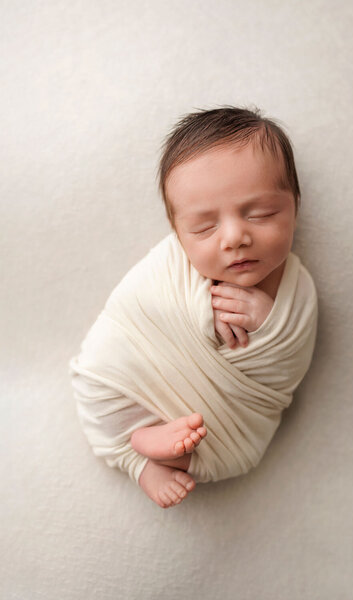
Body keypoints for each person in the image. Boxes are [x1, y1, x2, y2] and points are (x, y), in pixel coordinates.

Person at [69, 106, 318, 509]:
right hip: (134, 379)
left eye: (261, 214)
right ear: (179, 234)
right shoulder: (171, 270)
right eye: (204, 227)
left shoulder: (298, 289)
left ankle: (165, 454)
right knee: (102, 390)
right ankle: (141, 455)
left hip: (231, 424)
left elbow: (290, 360)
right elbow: (135, 317)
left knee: (203, 448)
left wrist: (268, 325)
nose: (235, 236)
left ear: (295, 206)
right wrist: (197, 316)